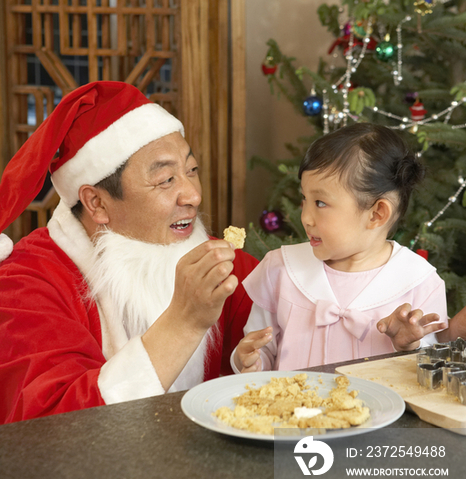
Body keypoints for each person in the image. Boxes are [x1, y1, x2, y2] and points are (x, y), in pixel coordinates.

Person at [0, 81, 257, 423]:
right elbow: (52, 426)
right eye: (166, 180)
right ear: (97, 203)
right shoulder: (25, 284)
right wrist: (184, 322)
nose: (192, 195)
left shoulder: (212, 259)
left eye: (191, 171)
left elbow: (285, 309)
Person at [232, 122, 465, 374]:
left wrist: (408, 344)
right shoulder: (281, 269)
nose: (306, 217)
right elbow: (259, 348)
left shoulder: (418, 281)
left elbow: (431, 371)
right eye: (304, 199)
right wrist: (250, 360)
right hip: (289, 412)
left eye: (320, 202)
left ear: (376, 214)